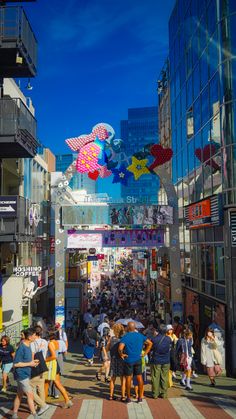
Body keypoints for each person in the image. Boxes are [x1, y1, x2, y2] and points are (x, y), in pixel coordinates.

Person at [118, 321, 152, 404]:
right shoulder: (140, 335)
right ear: (134, 328)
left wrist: (121, 354)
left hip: (129, 360)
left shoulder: (126, 337)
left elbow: (120, 348)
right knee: (139, 378)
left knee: (128, 378)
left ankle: (128, 398)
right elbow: (150, 343)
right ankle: (140, 398)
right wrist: (144, 353)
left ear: (128, 328)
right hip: (138, 359)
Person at [12, 328, 39, 419]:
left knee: (19, 395)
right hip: (21, 375)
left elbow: (25, 360)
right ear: (30, 337)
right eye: (34, 335)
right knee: (30, 395)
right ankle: (35, 415)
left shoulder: (28, 346)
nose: (36, 336)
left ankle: (14, 414)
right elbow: (16, 364)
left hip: (25, 374)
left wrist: (33, 362)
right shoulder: (22, 347)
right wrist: (30, 363)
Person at [44, 330, 72, 408]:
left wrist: (45, 360)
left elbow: (53, 356)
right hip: (55, 365)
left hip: (51, 365)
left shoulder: (50, 344)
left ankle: (42, 404)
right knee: (58, 384)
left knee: (46, 385)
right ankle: (67, 400)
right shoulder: (57, 342)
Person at [30, 326, 50, 416]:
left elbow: (32, 355)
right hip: (43, 365)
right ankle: (42, 406)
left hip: (35, 365)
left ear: (34, 333)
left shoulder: (32, 343)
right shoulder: (45, 341)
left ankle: (41, 405)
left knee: (30, 388)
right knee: (40, 387)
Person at [150, 326, 172, 399]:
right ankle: (163, 393)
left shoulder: (154, 339)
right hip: (166, 360)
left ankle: (155, 393)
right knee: (164, 377)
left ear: (158, 331)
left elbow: (151, 349)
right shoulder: (168, 339)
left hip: (156, 360)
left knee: (155, 377)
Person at [106, 323, 125, 401]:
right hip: (121, 360)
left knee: (112, 378)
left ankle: (111, 395)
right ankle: (123, 396)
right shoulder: (123, 339)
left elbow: (107, 349)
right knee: (122, 379)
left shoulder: (112, 339)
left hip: (113, 359)